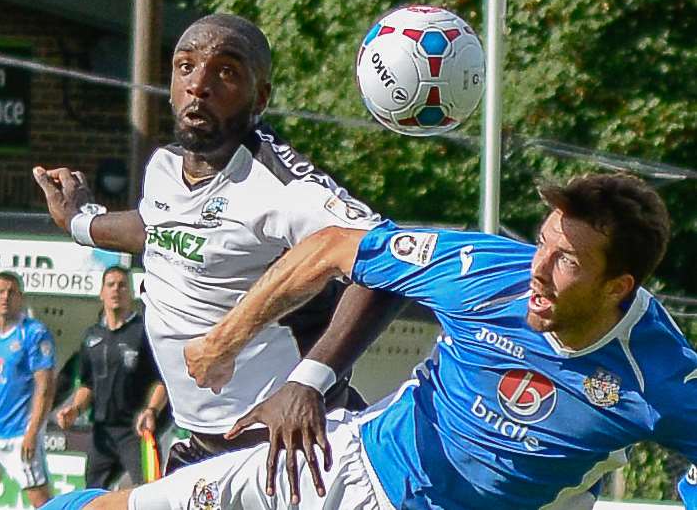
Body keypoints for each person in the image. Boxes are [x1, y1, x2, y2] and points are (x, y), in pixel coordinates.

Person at [38, 173, 697, 510]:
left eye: (566, 261)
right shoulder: (486, 271)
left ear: (620, 286)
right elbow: (336, 250)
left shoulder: (662, 377)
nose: (538, 267)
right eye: (543, 241)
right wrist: (234, 347)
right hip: (353, 468)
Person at [33, 12, 403, 474]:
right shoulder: (165, 167)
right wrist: (82, 223)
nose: (199, 84)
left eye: (225, 71)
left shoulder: (281, 185)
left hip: (282, 450)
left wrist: (310, 382)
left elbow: (390, 261)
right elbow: (161, 231)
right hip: (200, 445)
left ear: (260, 96)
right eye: (185, 66)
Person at [56, 266, 168, 488]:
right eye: (111, 285)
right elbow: (87, 384)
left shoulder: (143, 331)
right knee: (93, 496)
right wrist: (75, 409)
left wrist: (151, 411)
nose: (116, 290)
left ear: (131, 293)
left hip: (136, 430)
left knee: (148, 493)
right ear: (101, 293)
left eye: (122, 285)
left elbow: (162, 381)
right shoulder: (92, 336)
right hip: (102, 432)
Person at [0, 272, 55, 508]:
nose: (6, 297)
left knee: (42, 503)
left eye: (12, 292)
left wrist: (32, 432)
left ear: (20, 297)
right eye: (1, 291)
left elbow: (45, 386)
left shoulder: (33, 333)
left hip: (19, 437)